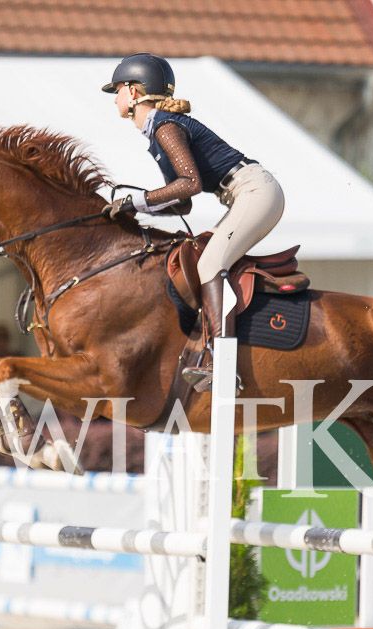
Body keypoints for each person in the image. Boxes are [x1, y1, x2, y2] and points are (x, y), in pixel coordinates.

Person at [101, 53, 285, 389]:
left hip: (254, 191)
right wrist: (137, 210)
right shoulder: (159, 130)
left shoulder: (165, 126)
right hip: (247, 192)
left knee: (210, 264)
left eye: (117, 91)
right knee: (202, 256)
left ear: (134, 91)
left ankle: (222, 362)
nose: (115, 99)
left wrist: (137, 200)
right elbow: (182, 203)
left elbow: (190, 184)